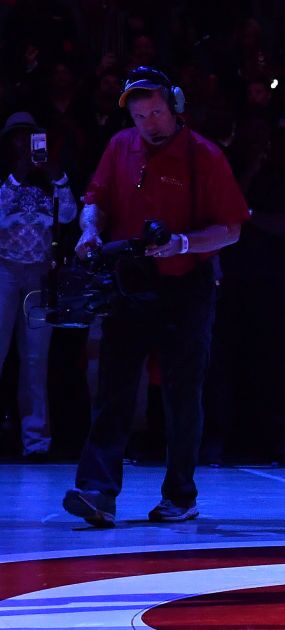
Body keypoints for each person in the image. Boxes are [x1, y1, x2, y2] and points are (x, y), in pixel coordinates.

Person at [62, 67, 250, 527]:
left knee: (182, 394)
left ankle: (180, 496)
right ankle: (97, 492)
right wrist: (89, 230)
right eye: (141, 115)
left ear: (175, 106)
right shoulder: (120, 147)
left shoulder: (203, 156)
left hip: (186, 286)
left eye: (157, 112)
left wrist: (182, 243)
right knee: (114, 388)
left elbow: (230, 228)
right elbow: (96, 197)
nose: (150, 122)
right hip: (131, 283)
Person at [0, 112, 77, 460]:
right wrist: (17, 175)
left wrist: (56, 175)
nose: (24, 144)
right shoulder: (5, 179)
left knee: (35, 361)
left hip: (39, 276)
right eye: (17, 137)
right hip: (5, 271)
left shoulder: (51, 181)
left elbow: (69, 215)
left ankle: (36, 442)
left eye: (28, 137)